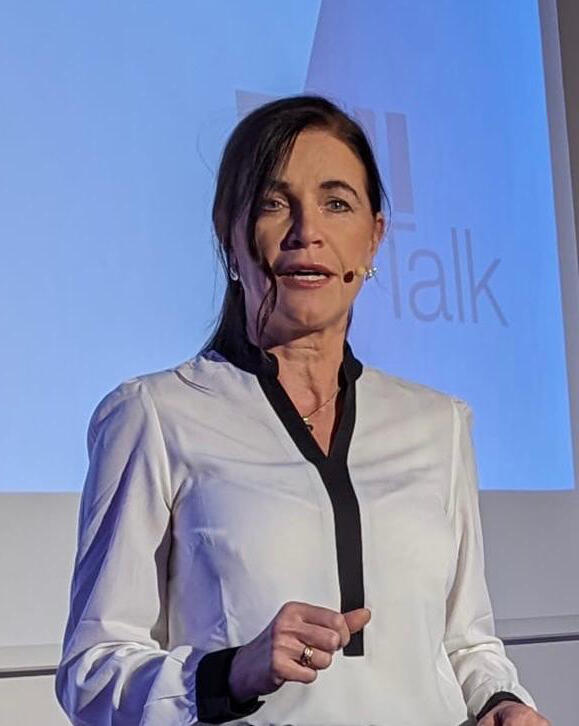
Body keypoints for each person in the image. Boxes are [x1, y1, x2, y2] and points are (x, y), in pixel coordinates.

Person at [55, 95, 550, 726]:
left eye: (336, 203)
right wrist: (231, 672)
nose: (305, 231)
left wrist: (500, 701)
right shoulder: (154, 415)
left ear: (374, 235)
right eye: (273, 203)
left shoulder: (439, 424)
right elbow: (93, 672)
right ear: (228, 233)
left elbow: (465, 642)